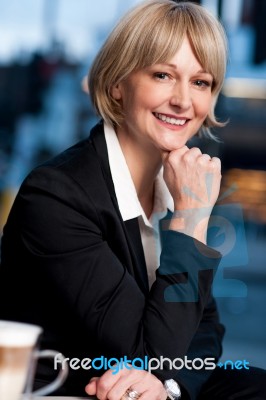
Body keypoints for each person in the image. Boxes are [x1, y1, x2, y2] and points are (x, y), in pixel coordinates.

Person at [0, 0, 265, 399]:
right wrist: (191, 218)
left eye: (201, 82)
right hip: (79, 389)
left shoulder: (178, 186)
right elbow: (141, 355)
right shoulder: (56, 196)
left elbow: (205, 331)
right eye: (163, 75)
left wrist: (170, 387)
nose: (183, 101)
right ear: (117, 84)